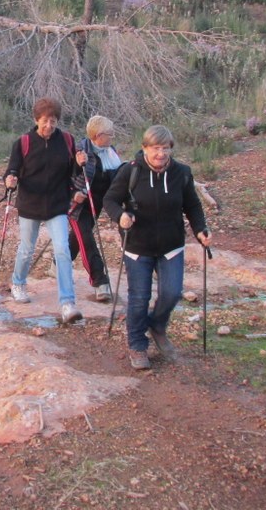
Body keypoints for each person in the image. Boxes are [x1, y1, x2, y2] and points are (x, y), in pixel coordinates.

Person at [103, 125, 212, 371]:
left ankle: (158, 325)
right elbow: (109, 199)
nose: (160, 153)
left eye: (165, 148)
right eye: (155, 148)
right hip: (137, 246)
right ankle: (137, 345)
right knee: (139, 298)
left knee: (172, 293)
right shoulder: (130, 172)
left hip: (171, 245)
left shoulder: (181, 173)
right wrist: (120, 215)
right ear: (145, 149)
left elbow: (192, 206)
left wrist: (200, 229)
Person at [3, 97, 84, 323]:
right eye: (45, 121)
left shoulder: (67, 140)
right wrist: (10, 179)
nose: (49, 126)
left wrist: (79, 162)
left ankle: (67, 303)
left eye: (53, 121)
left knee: (62, 250)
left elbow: (73, 173)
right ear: (36, 119)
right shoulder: (23, 142)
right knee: (27, 249)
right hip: (30, 204)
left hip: (57, 205)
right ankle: (18, 283)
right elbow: (12, 169)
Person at [68, 115, 121, 303]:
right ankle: (100, 281)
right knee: (87, 240)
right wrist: (73, 193)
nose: (112, 136)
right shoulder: (79, 151)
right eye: (110, 134)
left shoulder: (110, 151)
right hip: (77, 205)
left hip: (96, 204)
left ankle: (58, 264)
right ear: (98, 136)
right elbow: (62, 178)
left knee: (79, 237)